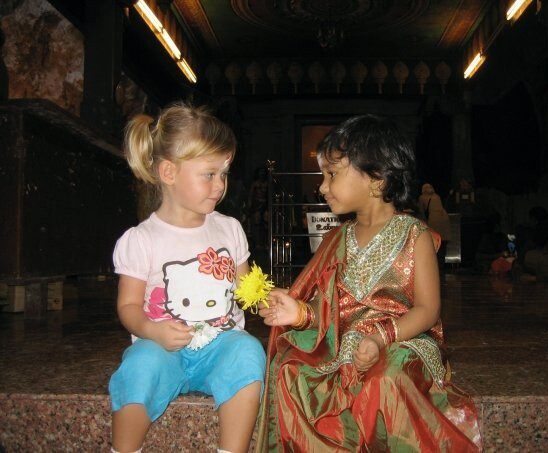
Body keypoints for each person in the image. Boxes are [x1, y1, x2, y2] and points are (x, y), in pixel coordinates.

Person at [256, 115, 481, 452]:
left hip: (402, 343)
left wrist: (380, 338)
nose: (322, 187)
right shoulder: (336, 239)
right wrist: (301, 313)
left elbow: (427, 310)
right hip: (345, 344)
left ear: (377, 179)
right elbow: (332, 306)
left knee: (385, 379)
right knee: (289, 368)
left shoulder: (414, 235)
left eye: (332, 175)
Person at [109, 103, 266, 453]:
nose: (220, 185)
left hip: (220, 344)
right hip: (162, 347)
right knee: (140, 367)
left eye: (224, 173)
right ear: (168, 172)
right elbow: (129, 306)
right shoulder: (142, 239)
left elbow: (245, 288)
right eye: (209, 174)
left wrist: (266, 300)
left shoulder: (229, 229)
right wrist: (151, 331)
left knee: (248, 351)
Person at [419, 183, 452, 269]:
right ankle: (442, 265)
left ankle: (435, 265)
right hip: (444, 219)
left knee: (434, 242)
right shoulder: (437, 196)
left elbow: (421, 211)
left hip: (433, 220)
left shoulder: (422, 197)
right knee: (443, 243)